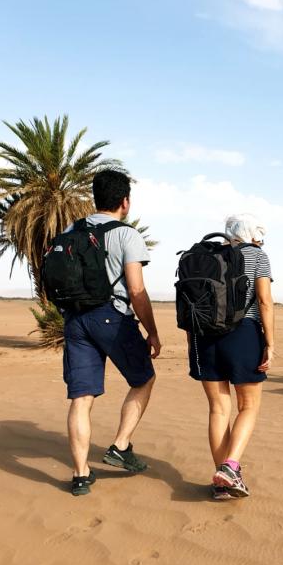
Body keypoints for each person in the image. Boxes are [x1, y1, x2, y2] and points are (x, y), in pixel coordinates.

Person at [62, 170, 161, 496]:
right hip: (112, 318)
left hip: (75, 321)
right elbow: (136, 290)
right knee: (144, 378)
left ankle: (80, 475)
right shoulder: (126, 234)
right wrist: (152, 331)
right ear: (125, 201)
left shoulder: (71, 230)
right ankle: (120, 445)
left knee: (81, 397)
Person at [189, 214, 274, 500]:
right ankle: (230, 467)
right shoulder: (257, 256)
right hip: (244, 334)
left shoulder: (209, 253)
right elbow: (264, 301)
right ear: (253, 233)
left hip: (205, 337)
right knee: (248, 406)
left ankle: (221, 482)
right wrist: (270, 343)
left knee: (218, 409)